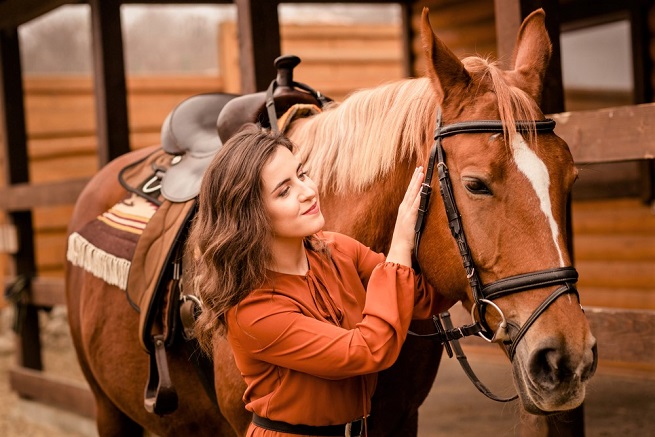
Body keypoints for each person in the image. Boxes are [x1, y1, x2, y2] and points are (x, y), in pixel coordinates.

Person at [190, 124, 437, 437]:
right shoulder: (254, 310)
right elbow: (367, 350)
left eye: (302, 174)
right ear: (251, 217)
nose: (307, 191)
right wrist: (399, 245)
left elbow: (420, 296)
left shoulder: (335, 248)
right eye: (284, 191)